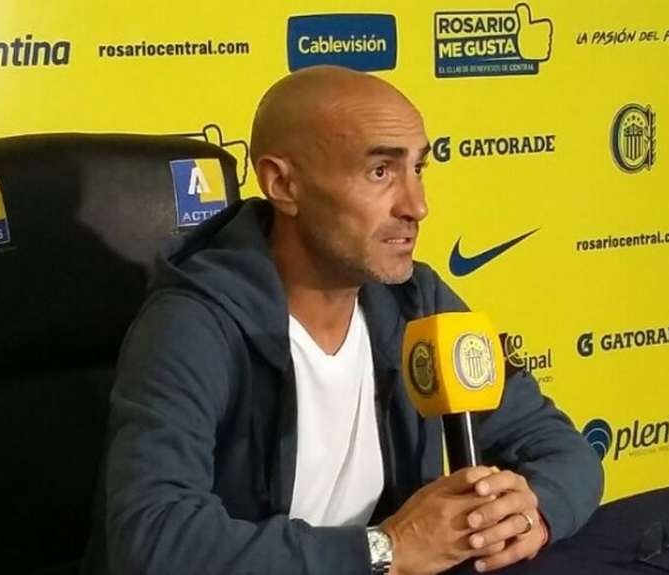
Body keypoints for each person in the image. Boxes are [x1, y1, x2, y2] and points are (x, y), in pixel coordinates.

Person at [82, 65, 603, 575]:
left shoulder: (418, 302)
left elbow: (563, 450)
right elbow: (152, 539)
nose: (417, 206)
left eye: (418, 168)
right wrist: (387, 549)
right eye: (380, 171)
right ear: (283, 184)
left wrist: (534, 511)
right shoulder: (193, 322)